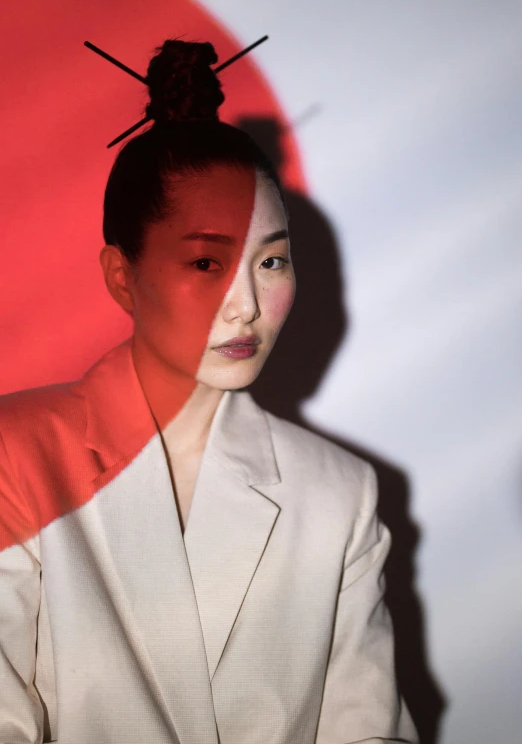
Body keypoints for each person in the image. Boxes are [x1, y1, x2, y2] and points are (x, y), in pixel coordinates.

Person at [0, 38, 418, 744]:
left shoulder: (338, 492)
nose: (246, 304)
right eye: (206, 261)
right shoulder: (19, 453)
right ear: (121, 275)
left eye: (272, 259)